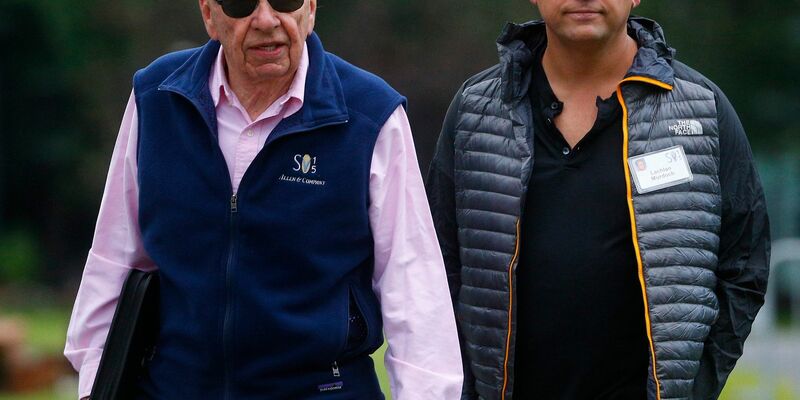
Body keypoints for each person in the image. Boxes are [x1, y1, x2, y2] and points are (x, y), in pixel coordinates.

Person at [65, 0, 463, 398]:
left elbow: (413, 289)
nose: (267, 20)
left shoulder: (371, 113)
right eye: (241, 4)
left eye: (285, 1)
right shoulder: (155, 98)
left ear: (310, 8)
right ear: (209, 14)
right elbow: (114, 261)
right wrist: (93, 389)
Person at [426, 1, 770, 399]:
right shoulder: (476, 111)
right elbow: (437, 266)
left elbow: (744, 264)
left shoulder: (702, 111)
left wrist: (694, 385)